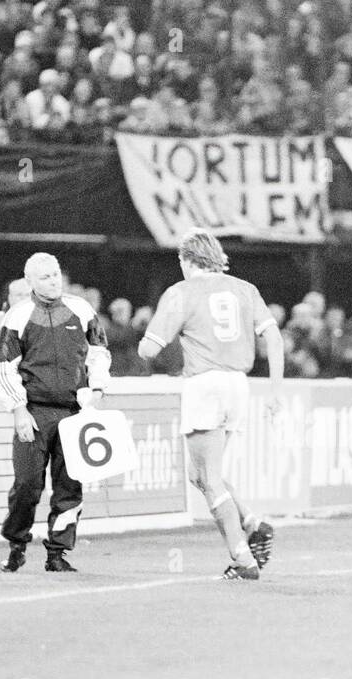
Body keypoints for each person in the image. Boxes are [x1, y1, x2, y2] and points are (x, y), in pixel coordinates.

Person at [137, 229, 285, 580]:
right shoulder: (245, 289)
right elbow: (274, 338)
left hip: (205, 384)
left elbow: (148, 349)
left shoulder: (182, 292)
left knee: (209, 478)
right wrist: (276, 390)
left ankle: (242, 558)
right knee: (199, 474)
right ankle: (252, 522)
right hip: (238, 384)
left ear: (187, 260)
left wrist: (168, 340)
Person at [0, 252, 112, 573]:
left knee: (70, 486)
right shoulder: (17, 316)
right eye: (45, 276)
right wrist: (18, 410)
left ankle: (57, 553)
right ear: (29, 280)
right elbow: (4, 368)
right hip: (34, 412)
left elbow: (100, 350)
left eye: (56, 273)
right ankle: (17, 543)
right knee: (28, 485)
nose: (53, 280)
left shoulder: (82, 309)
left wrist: (97, 390)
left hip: (73, 414)